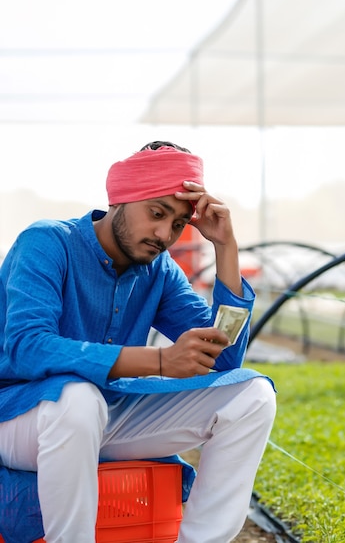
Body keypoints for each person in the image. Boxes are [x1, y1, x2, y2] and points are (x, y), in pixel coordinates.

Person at [0, 141, 276, 543]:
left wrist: (226, 248)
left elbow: (225, 358)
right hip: (22, 418)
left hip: (107, 414)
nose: (165, 234)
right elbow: (28, 346)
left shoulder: (158, 270)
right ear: (120, 199)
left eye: (179, 223)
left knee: (251, 396)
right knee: (77, 398)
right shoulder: (46, 242)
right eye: (157, 213)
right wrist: (160, 362)